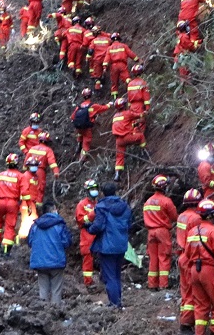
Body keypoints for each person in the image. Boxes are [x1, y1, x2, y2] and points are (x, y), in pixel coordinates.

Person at [185, 199, 214, 335]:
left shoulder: (192, 232)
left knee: (200, 305)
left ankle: (199, 332)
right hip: (209, 271)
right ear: (211, 215)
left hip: (194, 271)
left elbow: (187, 253)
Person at [88, 181, 132, 309]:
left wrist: (89, 228)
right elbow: (130, 223)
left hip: (107, 246)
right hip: (121, 244)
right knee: (117, 274)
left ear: (103, 192)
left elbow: (98, 226)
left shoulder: (102, 206)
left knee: (110, 276)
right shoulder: (125, 206)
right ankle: (117, 301)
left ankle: (114, 303)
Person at [28, 201, 72, 305]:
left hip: (40, 262)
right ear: (53, 210)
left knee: (43, 289)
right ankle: (55, 311)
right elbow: (66, 242)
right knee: (56, 290)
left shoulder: (35, 226)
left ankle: (43, 312)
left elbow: (30, 242)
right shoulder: (59, 225)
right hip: (56, 261)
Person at [143, 175, 178, 290]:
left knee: (153, 258)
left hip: (151, 232)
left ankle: (152, 284)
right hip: (162, 232)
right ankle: (163, 285)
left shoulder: (147, 202)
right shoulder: (166, 201)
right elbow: (174, 217)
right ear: (164, 187)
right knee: (164, 257)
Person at [176, 189, 204, 331]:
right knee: (192, 293)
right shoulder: (196, 219)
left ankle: (185, 319)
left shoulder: (182, 216)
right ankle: (187, 324)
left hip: (182, 256)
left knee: (185, 290)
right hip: (189, 258)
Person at [0, 153, 23, 256]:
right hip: (12, 203)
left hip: (0, 201)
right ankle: (6, 250)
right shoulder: (20, 176)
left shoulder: (1, 175)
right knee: (9, 226)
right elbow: (23, 192)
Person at [71, 88, 114, 162]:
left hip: (79, 127)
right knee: (86, 145)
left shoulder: (79, 107)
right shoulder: (93, 106)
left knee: (80, 134)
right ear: (90, 95)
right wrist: (110, 104)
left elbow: (72, 117)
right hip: (87, 128)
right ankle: (81, 160)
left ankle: (78, 144)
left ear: (83, 96)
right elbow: (103, 108)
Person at [110, 97, 146, 181]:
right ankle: (143, 152)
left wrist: (133, 125)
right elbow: (139, 115)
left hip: (119, 140)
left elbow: (123, 125)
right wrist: (145, 113)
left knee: (119, 157)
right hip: (127, 137)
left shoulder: (115, 116)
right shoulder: (127, 113)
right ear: (123, 106)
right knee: (141, 136)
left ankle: (117, 175)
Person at [75, 179, 100, 285]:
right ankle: (88, 282)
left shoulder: (98, 203)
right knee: (88, 258)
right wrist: (90, 218)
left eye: (95, 189)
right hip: (87, 234)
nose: (94, 191)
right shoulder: (82, 204)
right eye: (92, 189)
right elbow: (80, 219)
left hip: (98, 234)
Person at [24, 131, 59, 204]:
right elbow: (52, 163)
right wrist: (56, 172)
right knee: (40, 188)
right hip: (40, 171)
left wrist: (25, 169)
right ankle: (38, 206)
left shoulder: (33, 148)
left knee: (28, 186)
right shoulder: (48, 150)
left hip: (29, 171)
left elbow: (26, 160)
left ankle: (26, 204)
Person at [103, 32, 140, 98]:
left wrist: (105, 67)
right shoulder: (124, 46)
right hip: (122, 65)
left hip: (114, 66)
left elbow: (107, 58)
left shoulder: (110, 48)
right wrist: (137, 60)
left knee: (114, 82)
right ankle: (132, 92)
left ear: (112, 40)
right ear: (119, 39)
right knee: (127, 78)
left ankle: (115, 98)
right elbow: (131, 54)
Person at [126, 63, 151, 138]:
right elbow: (146, 98)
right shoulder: (143, 83)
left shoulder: (130, 84)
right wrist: (147, 108)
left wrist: (129, 108)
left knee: (133, 123)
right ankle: (140, 140)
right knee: (141, 123)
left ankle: (133, 140)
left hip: (132, 107)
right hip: (140, 106)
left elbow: (129, 98)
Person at [87, 26, 112, 93]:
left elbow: (90, 51)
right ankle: (104, 76)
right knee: (107, 70)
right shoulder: (108, 40)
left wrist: (88, 58)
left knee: (97, 76)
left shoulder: (94, 41)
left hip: (97, 60)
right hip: (106, 59)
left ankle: (97, 90)